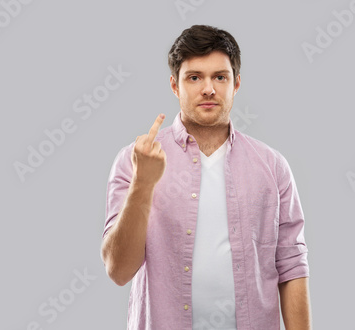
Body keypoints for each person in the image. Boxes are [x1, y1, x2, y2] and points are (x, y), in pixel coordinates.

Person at [100, 24, 312, 330]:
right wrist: (143, 184)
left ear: (236, 83)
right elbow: (118, 271)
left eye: (220, 77)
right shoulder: (136, 160)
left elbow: (292, 265)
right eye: (194, 77)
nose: (208, 88)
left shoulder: (272, 166)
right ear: (175, 85)